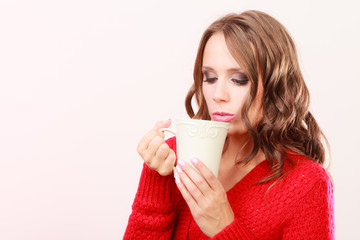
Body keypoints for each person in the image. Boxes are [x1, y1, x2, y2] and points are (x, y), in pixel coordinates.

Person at [123, 10, 335, 239]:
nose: (218, 95)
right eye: (210, 78)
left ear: (276, 85)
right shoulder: (173, 156)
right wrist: (156, 178)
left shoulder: (306, 184)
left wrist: (223, 226)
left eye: (239, 80)